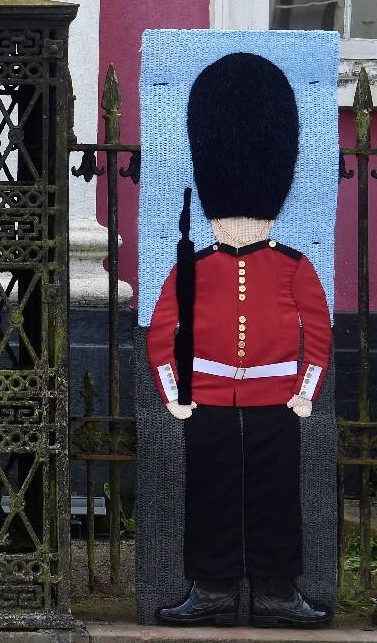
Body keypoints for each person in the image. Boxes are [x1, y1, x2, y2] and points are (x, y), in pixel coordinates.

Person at [147, 52, 332, 628]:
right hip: (208, 398)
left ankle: (278, 591)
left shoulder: (293, 265)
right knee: (211, 495)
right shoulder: (193, 267)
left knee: (277, 497)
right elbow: (161, 334)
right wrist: (175, 395)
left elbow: (319, 335)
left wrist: (304, 393)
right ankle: (213, 590)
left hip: (277, 400)